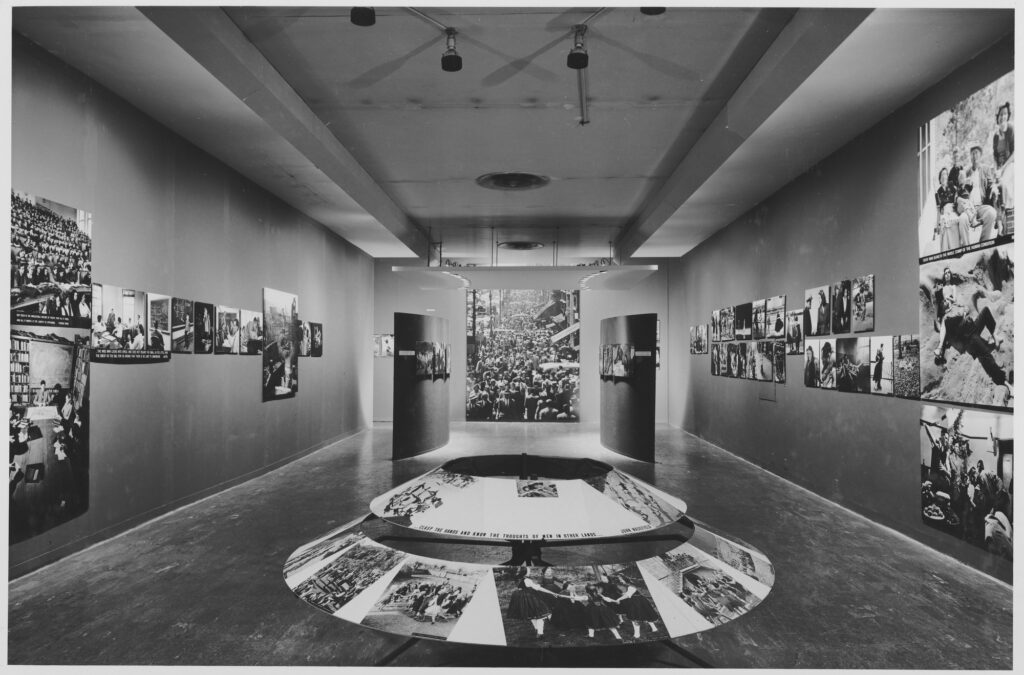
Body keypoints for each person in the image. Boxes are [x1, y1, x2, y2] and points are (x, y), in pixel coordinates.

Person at [933, 269, 1013, 402]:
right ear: (943, 307)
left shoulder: (957, 307)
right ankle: (1004, 383)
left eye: (947, 301)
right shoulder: (947, 319)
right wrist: (940, 346)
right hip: (970, 339)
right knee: (986, 357)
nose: (946, 302)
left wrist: (962, 309)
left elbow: (962, 307)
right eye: (944, 303)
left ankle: (995, 337)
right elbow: (942, 327)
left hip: (973, 329)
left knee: (986, 312)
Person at [506, 570, 554, 638]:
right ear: (525, 572)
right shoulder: (527, 580)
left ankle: (537, 629)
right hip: (530, 598)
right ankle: (540, 633)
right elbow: (537, 588)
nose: (530, 571)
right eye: (528, 570)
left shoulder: (519, 578)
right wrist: (551, 593)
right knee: (541, 614)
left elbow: (525, 586)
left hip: (522, 598)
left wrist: (535, 585)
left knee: (532, 614)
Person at [934, 167, 966, 251]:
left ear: (947, 177)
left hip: (953, 211)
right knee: (944, 223)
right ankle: (947, 251)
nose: (944, 176)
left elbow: (957, 199)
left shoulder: (952, 187)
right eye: (942, 175)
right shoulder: (938, 192)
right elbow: (938, 210)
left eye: (945, 174)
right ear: (940, 179)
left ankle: (956, 249)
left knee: (954, 221)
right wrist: (937, 224)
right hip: (945, 213)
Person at [992, 102, 1014, 214]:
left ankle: (1010, 210)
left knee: (1005, 184)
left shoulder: (1011, 129)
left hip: (1010, 164)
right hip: (1000, 168)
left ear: (1008, 115)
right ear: (997, 117)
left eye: (1005, 114)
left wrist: (1002, 169)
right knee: (993, 188)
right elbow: (995, 156)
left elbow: (1015, 153)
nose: (1003, 117)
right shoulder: (996, 136)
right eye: (1000, 114)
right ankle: (1000, 220)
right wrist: (996, 170)